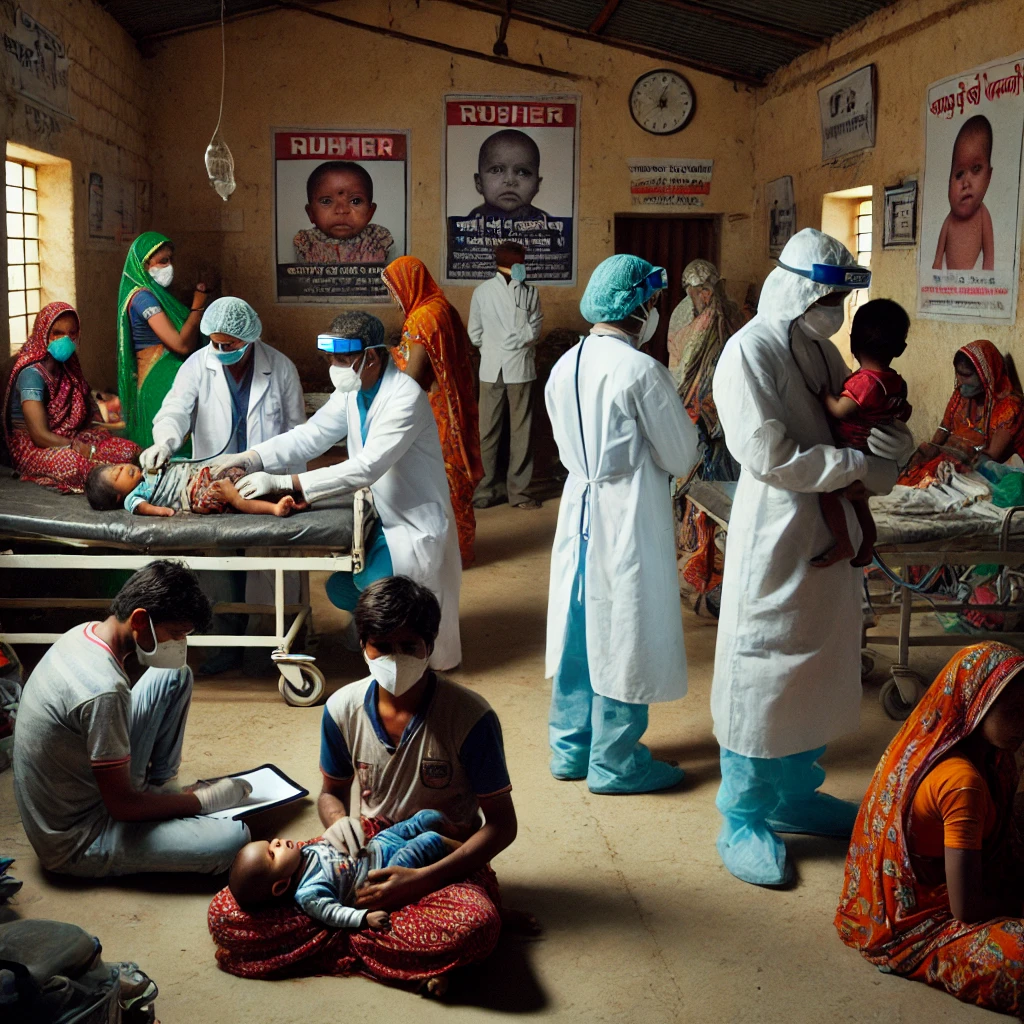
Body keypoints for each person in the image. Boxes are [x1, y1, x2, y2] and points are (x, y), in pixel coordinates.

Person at [710, 228, 916, 887]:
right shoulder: (749, 353)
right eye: (827, 297)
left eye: (839, 300)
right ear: (798, 289)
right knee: (762, 672)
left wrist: (893, 447)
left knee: (818, 665)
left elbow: (859, 422)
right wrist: (859, 465)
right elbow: (770, 457)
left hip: (830, 533)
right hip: (776, 535)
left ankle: (796, 793)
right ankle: (742, 815)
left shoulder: (818, 349)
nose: (834, 311)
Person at [215, 312, 462, 671]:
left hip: (414, 522)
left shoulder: (404, 397)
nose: (334, 367)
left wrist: (285, 482)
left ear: (372, 357)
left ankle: (396, 644)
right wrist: (254, 457)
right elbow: (311, 436)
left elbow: (367, 466)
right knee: (340, 589)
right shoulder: (354, 392)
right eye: (332, 358)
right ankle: (376, 625)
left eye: (343, 360)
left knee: (375, 587)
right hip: (383, 514)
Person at [545, 254, 699, 794]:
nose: (656, 312)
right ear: (640, 307)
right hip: (626, 513)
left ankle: (571, 748)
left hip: (581, 507)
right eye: (653, 303)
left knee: (579, 625)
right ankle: (615, 761)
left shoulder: (565, 365)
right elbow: (681, 455)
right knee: (624, 629)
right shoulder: (641, 370)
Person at [11, 560, 252, 877]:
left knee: (174, 675)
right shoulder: (105, 690)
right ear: (140, 619)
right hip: (77, 838)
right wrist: (204, 801)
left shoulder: (81, 633)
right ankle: (167, 804)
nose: (180, 643)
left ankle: (161, 789)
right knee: (236, 839)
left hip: (82, 786)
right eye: (176, 633)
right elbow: (122, 808)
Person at [836, 642, 1024, 1016]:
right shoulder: (961, 783)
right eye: (1015, 710)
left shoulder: (983, 756)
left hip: (959, 873)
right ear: (977, 704)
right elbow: (967, 909)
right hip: (923, 921)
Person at [317, 577, 515, 930]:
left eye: (409, 646)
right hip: (370, 847)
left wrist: (421, 879)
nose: (396, 659)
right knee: (240, 901)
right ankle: (395, 934)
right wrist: (338, 824)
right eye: (382, 646)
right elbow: (331, 793)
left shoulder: (470, 718)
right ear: (363, 644)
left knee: (475, 923)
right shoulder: (341, 709)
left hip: (446, 855)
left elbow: (502, 825)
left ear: (430, 645)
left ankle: (374, 929)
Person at [139, 295, 307, 675]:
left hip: (267, 479)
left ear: (249, 338)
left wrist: (291, 485)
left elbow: (300, 434)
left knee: (269, 565)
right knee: (219, 565)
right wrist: (164, 441)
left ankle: (272, 644)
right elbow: (176, 409)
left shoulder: (280, 368)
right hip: (213, 482)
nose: (220, 350)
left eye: (228, 345)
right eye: (214, 342)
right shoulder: (199, 364)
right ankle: (226, 646)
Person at [382, 256, 483, 567]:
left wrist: (388, 356)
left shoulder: (421, 320)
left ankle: (449, 554)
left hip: (436, 412)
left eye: (393, 290)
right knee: (456, 479)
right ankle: (462, 549)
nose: (392, 299)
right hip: (458, 406)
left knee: (440, 481)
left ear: (407, 286)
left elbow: (412, 375)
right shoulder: (444, 308)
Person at [228, 810, 460, 930]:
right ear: (281, 885)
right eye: (272, 853)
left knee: (427, 817)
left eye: (270, 842)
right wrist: (363, 918)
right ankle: (466, 853)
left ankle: (462, 831)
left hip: (380, 843)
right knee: (428, 841)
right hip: (387, 871)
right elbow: (334, 914)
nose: (277, 842)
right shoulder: (309, 893)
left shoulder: (306, 850)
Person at [667, 259, 743, 614]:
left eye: (708, 288)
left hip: (728, 416)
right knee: (693, 484)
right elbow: (680, 362)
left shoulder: (732, 315)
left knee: (726, 488)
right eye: (697, 290)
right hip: (696, 415)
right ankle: (698, 554)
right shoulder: (686, 316)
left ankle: (724, 561)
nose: (703, 295)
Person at [3, 302, 140, 493]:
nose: (65, 339)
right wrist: (80, 449)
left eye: (72, 333)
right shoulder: (31, 375)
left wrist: (91, 443)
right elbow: (39, 436)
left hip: (69, 437)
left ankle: (115, 478)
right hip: (35, 447)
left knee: (128, 451)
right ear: (42, 333)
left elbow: (87, 411)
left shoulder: (68, 367)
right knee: (74, 465)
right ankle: (114, 481)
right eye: (57, 333)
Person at [816, 298, 912, 568]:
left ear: (853, 341)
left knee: (827, 495)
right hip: (875, 461)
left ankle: (843, 542)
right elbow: (905, 412)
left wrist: (825, 396)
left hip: (854, 452)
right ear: (900, 348)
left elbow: (841, 410)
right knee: (860, 505)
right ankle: (867, 546)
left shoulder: (866, 382)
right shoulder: (896, 382)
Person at [117, 232, 212, 450]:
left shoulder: (155, 294)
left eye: (170, 260)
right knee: (167, 443)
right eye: (162, 261)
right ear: (144, 264)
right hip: (157, 380)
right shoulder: (143, 298)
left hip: (164, 378)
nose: (169, 266)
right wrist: (198, 307)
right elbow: (180, 344)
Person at [469, 240, 544, 510]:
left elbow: (534, 329)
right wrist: (507, 345)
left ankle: (517, 493)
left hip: (518, 369)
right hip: (493, 368)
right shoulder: (483, 292)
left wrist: (500, 345)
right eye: (521, 262)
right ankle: (487, 490)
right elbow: (474, 333)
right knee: (489, 433)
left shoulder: (530, 292)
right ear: (515, 264)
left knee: (518, 432)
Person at [901, 339, 1024, 486]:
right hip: (957, 460)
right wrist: (930, 451)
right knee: (914, 475)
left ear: (986, 374)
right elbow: (943, 430)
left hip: (984, 469)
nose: (960, 381)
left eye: (966, 375)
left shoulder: (1009, 407)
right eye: (958, 374)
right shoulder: (961, 396)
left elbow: (992, 456)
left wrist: (959, 456)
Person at [85, 462, 304, 518]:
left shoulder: (149, 467)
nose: (122, 468)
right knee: (229, 493)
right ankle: (273, 509)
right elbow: (142, 508)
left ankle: (290, 498)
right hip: (192, 497)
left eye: (117, 466)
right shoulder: (132, 497)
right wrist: (163, 512)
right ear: (118, 496)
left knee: (239, 477)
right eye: (117, 474)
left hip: (199, 477)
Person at [293, 160, 394, 264]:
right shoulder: (306, 244)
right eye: (326, 201)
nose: (341, 210)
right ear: (311, 213)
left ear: (370, 212)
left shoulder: (378, 241)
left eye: (355, 201)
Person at [932, 115, 994, 271]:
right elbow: (938, 257)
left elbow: (989, 256)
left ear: (988, 177)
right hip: (949, 284)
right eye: (959, 174)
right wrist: (937, 265)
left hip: (973, 285)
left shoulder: (982, 215)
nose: (966, 183)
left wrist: (987, 273)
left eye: (976, 169)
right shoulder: (950, 220)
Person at [469, 129, 549, 220]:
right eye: (496, 170)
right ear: (479, 183)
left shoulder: (548, 223)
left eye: (523, 172)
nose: (510, 181)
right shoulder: (469, 222)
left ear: (537, 184)